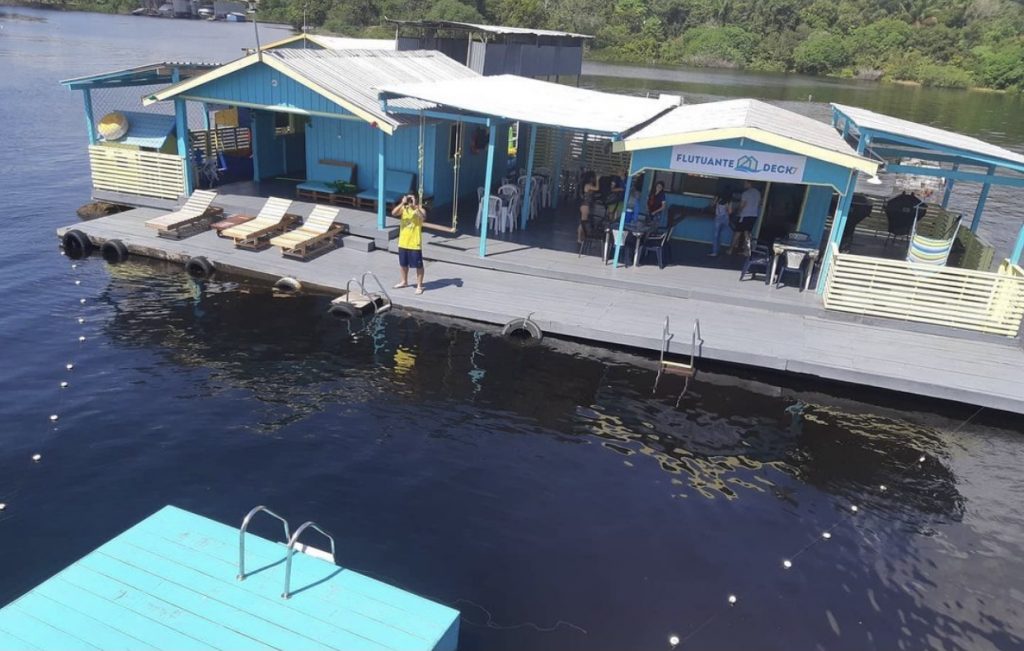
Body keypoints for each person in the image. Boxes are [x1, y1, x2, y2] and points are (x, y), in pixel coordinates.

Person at [391, 195, 452, 295]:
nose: (410, 202)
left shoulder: (420, 210)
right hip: (403, 242)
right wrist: (402, 203)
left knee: (418, 265)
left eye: (412, 200)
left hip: (414, 243)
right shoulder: (404, 209)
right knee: (403, 264)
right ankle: (404, 281)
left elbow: (423, 218)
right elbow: (393, 213)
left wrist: (415, 207)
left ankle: (419, 285)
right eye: (409, 200)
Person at [729, 180, 761, 255]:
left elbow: (742, 205)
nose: (744, 184)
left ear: (749, 183)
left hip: (744, 215)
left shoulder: (745, 193)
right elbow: (759, 204)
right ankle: (747, 251)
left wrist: (737, 212)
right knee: (747, 233)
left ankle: (730, 250)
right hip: (753, 215)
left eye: (745, 183)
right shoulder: (758, 193)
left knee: (737, 233)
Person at [578, 171, 599, 244]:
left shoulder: (588, 185)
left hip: (586, 205)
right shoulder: (588, 185)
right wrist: (598, 180)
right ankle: (579, 238)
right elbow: (597, 188)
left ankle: (581, 238)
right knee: (583, 223)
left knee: (583, 222)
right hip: (585, 205)